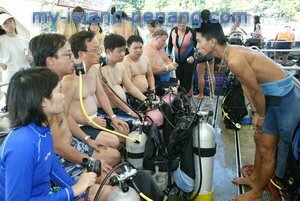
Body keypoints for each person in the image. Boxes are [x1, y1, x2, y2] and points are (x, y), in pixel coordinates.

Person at [195, 22, 300, 201]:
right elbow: (246, 86)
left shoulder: (234, 59)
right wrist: (255, 113)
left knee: (267, 149)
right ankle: (255, 179)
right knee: (259, 139)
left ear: (212, 41)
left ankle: (257, 193)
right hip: (270, 98)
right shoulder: (228, 54)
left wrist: (261, 115)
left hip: (284, 99)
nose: (197, 46)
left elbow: (256, 91)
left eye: (198, 41)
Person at [29, 33, 114, 199]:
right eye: (68, 55)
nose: (73, 59)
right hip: (59, 160)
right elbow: (58, 147)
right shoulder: (46, 97)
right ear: (50, 60)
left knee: (113, 162)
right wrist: (91, 161)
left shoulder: (56, 85)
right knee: (110, 187)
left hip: (71, 145)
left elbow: (66, 119)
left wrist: (87, 139)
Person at [0, 67, 97, 200]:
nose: (63, 95)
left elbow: (52, 168)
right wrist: (72, 191)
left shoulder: (43, 128)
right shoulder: (23, 146)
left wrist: (79, 194)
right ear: (43, 102)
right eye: (59, 91)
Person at [63, 31, 129, 153]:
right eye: (96, 49)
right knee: (114, 141)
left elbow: (102, 94)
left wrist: (113, 117)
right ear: (82, 54)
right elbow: (64, 112)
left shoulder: (93, 69)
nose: (100, 52)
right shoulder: (69, 78)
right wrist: (88, 121)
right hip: (81, 125)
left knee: (124, 130)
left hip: (95, 118)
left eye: (100, 48)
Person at [98, 34, 147, 117]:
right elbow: (111, 95)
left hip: (122, 106)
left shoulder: (120, 66)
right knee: (138, 120)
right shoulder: (101, 69)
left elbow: (130, 87)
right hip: (106, 112)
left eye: (124, 50)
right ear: (108, 51)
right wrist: (131, 112)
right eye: (119, 51)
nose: (123, 54)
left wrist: (146, 100)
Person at [0, 12, 32, 92]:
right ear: (1, 27)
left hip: (26, 76)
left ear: (14, 21)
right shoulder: (1, 40)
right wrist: (1, 65)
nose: (10, 24)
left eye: (10, 21)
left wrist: (30, 58)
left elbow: (30, 57)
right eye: (5, 23)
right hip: (10, 78)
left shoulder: (23, 39)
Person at [167, 15, 196, 96]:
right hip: (177, 60)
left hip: (189, 60)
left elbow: (198, 46)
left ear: (186, 24)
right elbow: (169, 45)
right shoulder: (173, 31)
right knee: (179, 80)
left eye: (183, 25)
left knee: (187, 80)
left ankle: (187, 97)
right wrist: (168, 56)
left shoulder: (191, 32)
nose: (181, 27)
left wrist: (193, 56)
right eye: (179, 25)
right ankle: (180, 99)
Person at [143, 28, 178, 94]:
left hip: (164, 78)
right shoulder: (149, 50)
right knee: (174, 89)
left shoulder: (160, 48)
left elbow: (167, 60)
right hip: (156, 80)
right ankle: (165, 103)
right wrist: (167, 68)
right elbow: (151, 70)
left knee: (177, 82)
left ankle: (169, 102)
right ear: (157, 38)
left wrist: (171, 65)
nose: (164, 43)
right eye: (163, 41)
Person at [195, 10, 215, 99]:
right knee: (211, 74)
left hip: (202, 51)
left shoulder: (198, 25)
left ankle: (201, 94)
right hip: (211, 51)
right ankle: (212, 94)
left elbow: (195, 37)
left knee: (200, 75)